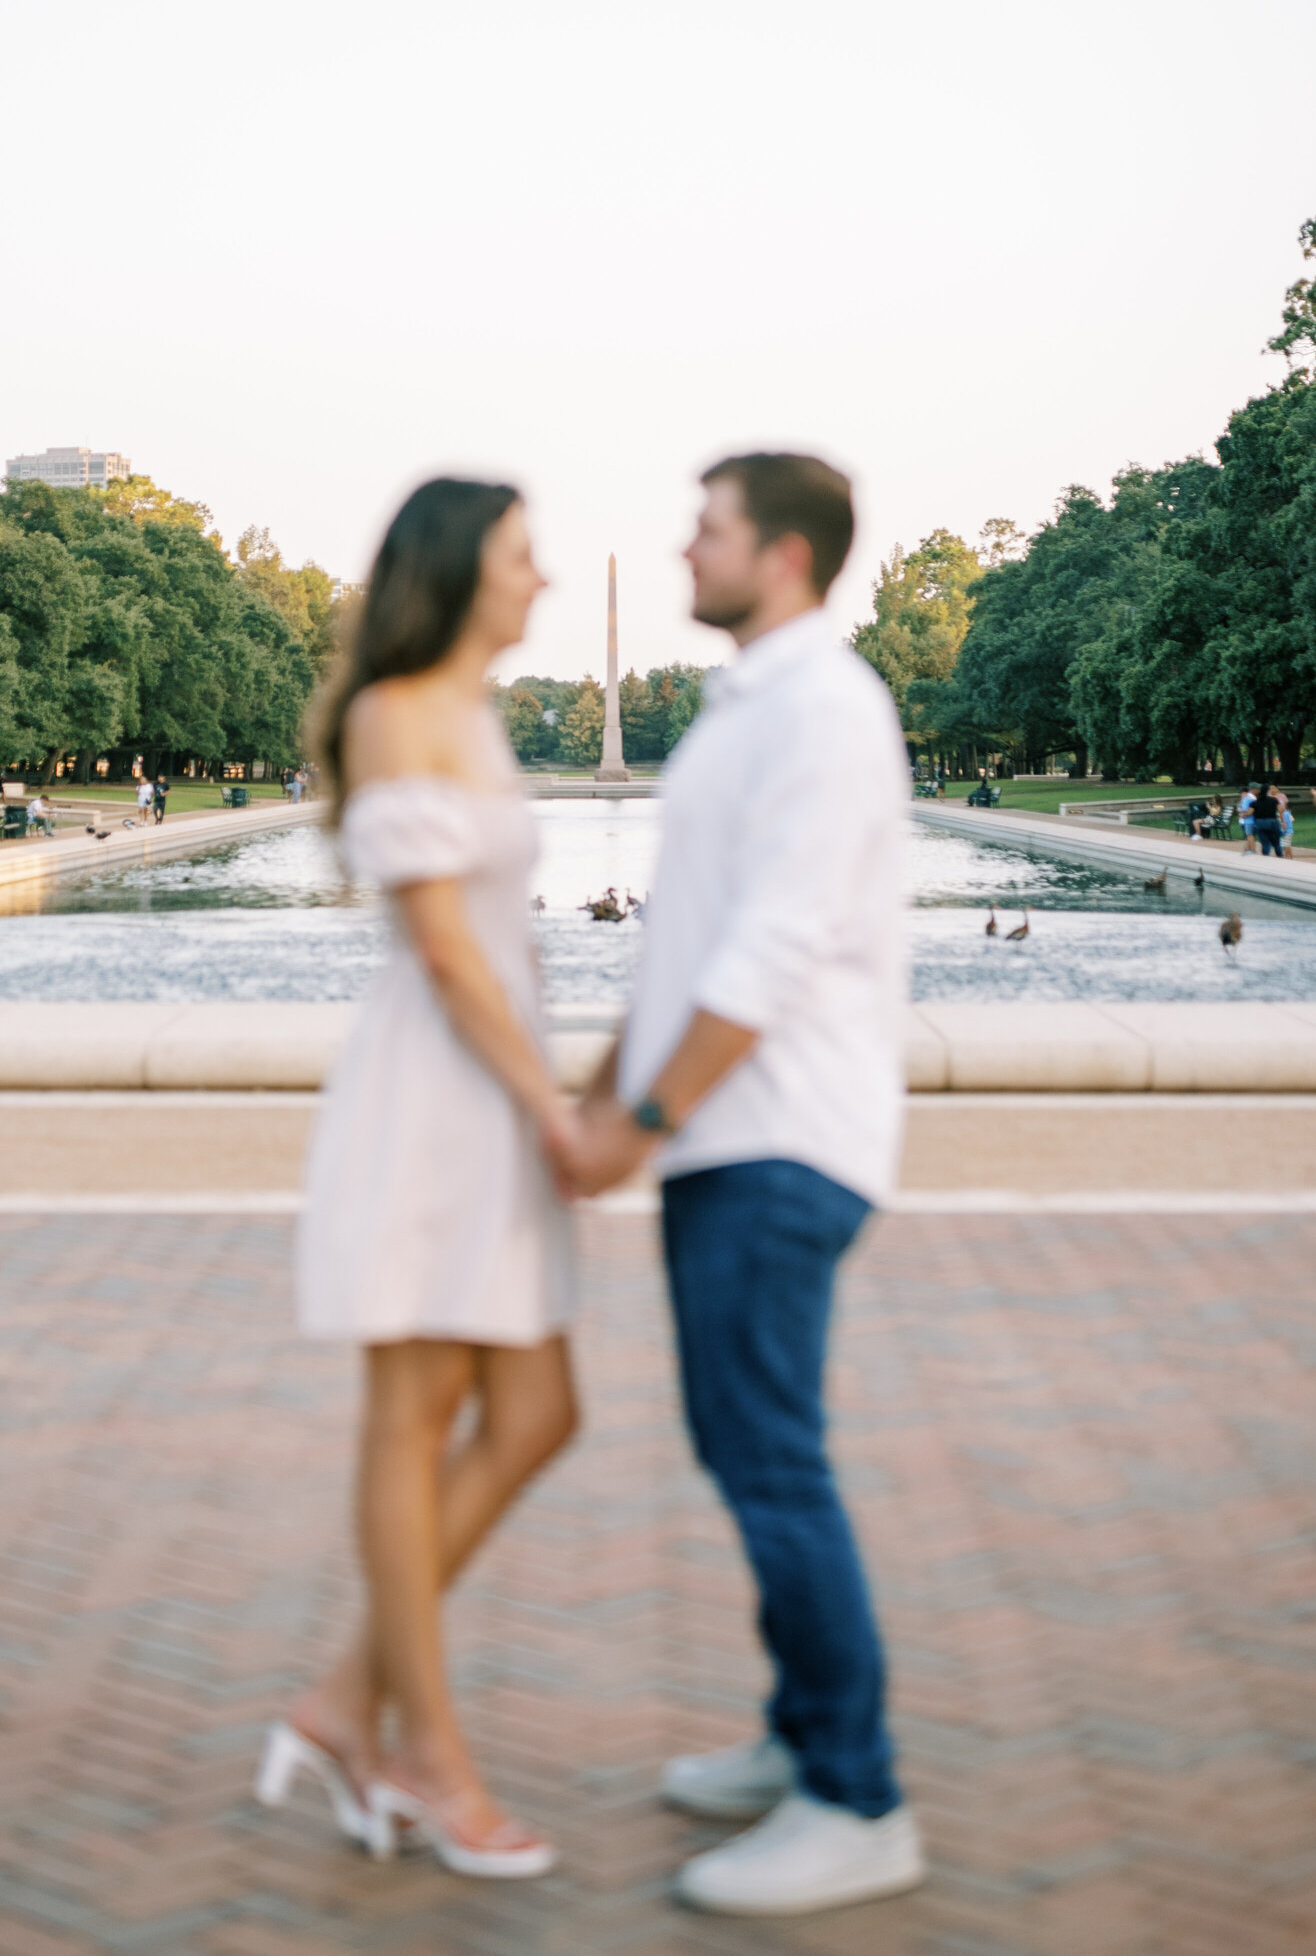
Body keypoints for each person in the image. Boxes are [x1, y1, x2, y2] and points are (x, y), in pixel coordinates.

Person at [560, 452, 924, 1917]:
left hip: (780, 1138)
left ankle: (857, 1795)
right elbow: (679, 953)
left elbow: (767, 957)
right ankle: (802, 1737)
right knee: (746, 1446)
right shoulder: (751, 708)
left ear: (779, 554)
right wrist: (592, 1103)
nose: (681, 546)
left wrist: (633, 1120)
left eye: (705, 527)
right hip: (733, 1137)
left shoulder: (828, 713)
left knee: (772, 1457)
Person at [258, 477, 576, 1881]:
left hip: (493, 1089)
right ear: (457, 572)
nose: (543, 579)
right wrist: (549, 1112)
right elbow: (444, 949)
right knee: (416, 1411)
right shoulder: (397, 711)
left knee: (539, 1406)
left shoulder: (479, 712)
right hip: (443, 1098)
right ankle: (423, 1756)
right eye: (521, 557)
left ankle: (340, 1702)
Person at [1255, 784, 1284, 857]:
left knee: (1264, 843)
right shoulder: (1274, 800)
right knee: (1276, 842)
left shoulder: (1256, 801)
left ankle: (1265, 857)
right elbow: (1280, 810)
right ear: (1268, 791)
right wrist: (1283, 821)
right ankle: (1279, 856)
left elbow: (1250, 812)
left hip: (1260, 822)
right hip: (1272, 822)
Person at [1237, 783, 1256, 851]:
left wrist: (1241, 815)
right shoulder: (1252, 799)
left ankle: (1252, 849)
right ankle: (1249, 848)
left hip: (1248, 820)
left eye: (1241, 793)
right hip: (1252, 820)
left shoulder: (1246, 799)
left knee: (1249, 835)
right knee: (1250, 835)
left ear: (1244, 793)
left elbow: (1244, 811)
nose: (1240, 795)